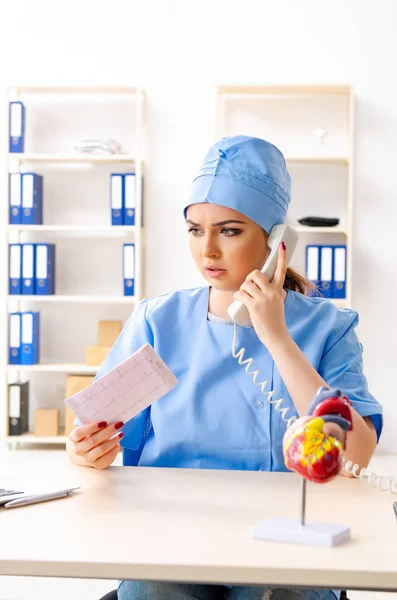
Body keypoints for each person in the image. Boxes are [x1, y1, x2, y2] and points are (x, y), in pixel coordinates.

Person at [67, 136, 383, 600]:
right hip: (174, 535)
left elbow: (356, 458)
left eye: (230, 230)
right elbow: (99, 435)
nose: (208, 250)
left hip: (288, 543)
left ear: (277, 242)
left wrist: (276, 337)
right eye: (195, 230)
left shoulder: (328, 328)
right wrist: (84, 451)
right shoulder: (157, 321)